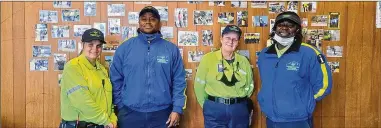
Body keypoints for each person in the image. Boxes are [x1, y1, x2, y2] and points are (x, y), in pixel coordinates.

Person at [110, 6, 187, 128]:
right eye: (144, 19)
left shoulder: (171, 49)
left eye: (152, 19)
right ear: (139, 22)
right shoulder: (125, 48)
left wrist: (177, 109)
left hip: (163, 113)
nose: (147, 22)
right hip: (130, 113)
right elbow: (115, 78)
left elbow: (179, 81)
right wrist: (120, 105)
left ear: (159, 23)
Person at [257, 11, 333, 128]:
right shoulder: (264, 54)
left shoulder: (309, 53)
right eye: (280, 24)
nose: (284, 28)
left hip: (298, 121)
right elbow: (266, 83)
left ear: (297, 30)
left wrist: (303, 103)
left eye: (290, 25)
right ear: (275, 28)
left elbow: (324, 84)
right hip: (271, 119)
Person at [194, 25, 254, 128]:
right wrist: (207, 106)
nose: (231, 41)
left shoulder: (243, 61)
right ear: (221, 39)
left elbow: (250, 85)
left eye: (235, 39)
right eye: (228, 38)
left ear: (238, 42)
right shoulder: (208, 59)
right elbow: (199, 86)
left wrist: (239, 100)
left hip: (239, 109)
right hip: (215, 108)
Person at [59, 28, 117, 128]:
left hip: (103, 124)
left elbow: (109, 100)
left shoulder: (102, 70)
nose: (95, 49)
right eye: (90, 44)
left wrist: (113, 118)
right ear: (82, 45)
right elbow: (82, 102)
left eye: (99, 46)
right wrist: (106, 121)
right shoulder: (73, 67)